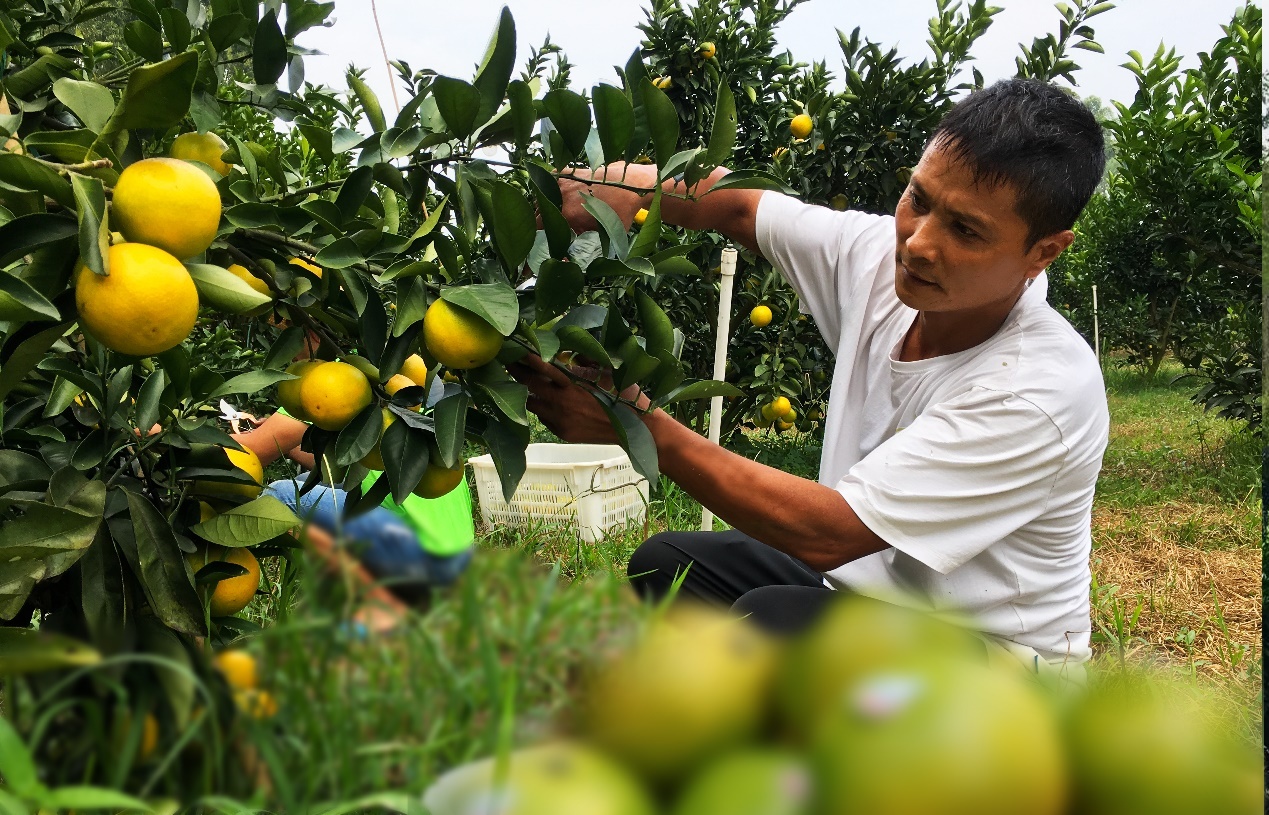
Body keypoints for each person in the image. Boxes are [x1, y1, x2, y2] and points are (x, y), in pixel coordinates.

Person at [512, 79, 1109, 671]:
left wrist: (637, 426)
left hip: (999, 666)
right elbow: (744, 209)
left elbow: (829, 533)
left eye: (967, 231)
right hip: (864, 600)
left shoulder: (1039, 389)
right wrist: (631, 189)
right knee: (668, 563)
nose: (919, 244)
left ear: (1044, 252)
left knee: (771, 621)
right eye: (919, 200)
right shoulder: (882, 258)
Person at [232, 337, 475, 625]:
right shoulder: (387, 378)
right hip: (454, 552)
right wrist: (281, 439)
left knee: (280, 495)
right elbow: (341, 466)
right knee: (307, 484)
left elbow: (251, 452)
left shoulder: (325, 385)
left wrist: (171, 432)